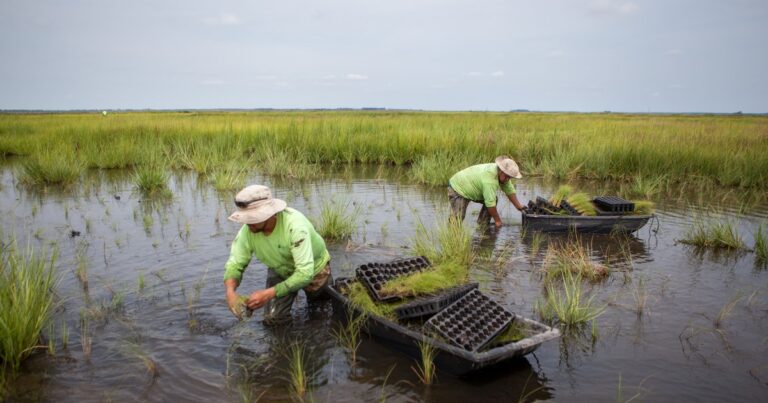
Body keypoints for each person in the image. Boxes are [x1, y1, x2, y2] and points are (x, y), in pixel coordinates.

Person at [223, 185, 333, 325]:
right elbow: (235, 263)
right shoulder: (248, 230)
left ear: (269, 214)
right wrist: (230, 292)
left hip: (315, 269)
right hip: (281, 269)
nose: (247, 223)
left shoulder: (295, 226)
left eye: (253, 219)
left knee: (320, 311)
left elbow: (305, 274)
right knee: (273, 319)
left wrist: (267, 294)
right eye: (246, 219)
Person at [447, 155, 526, 228]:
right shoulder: (490, 179)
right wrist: (498, 221)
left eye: (510, 177)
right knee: (458, 218)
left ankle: (482, 225)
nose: (508, 179)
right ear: (501, 171)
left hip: (471, 186)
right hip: (458, 187)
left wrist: (519, 207)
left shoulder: (503, 176)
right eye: (507, 177)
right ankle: (452, 237)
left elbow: (510, 191)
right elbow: (490, 203)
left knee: (493, 199)